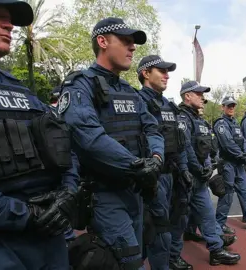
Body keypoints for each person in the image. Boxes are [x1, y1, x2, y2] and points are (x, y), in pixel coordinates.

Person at [0, 1, 79, 269]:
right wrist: (24, 214)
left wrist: (68, 194)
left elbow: (64, 146)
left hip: (50, 240)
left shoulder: (19, 89)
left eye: (10, 19)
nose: (9, 25)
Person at [59, 17, 165, 269]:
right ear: (103, 41)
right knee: (125, 261)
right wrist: (138, 166)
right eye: (126, 41)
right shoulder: (80, 85)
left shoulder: (129, 91)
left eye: (133, 43)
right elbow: (88, 137)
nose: (133, 48)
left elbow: (152, 128)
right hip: (105, 194)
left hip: (137, 191)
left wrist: (156, 159)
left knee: (139, 255)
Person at [173, 81, 241, 267]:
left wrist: (210, 165)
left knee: (207, 214)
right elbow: (185, 147)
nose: (203, 98)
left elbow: (209, 147)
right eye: (198, 94)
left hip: (200, 179)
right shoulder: (182, 119)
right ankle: (172, 257)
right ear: (187, 96)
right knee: (178, 220)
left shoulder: (199, 120)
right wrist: (198, 168)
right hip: (186, 177)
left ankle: (216, 250)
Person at [136, 55, 194, 270]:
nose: (167, 75)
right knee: (157, 231)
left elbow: (178, 141)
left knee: (172, 223)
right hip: (154, 177)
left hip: (172, 174)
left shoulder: (168, 105)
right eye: (161, 71)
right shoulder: (138, 101)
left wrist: (184, 169)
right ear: (145, 73)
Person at [213, 96, 246, 231]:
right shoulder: (221, 124)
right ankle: (219, 224)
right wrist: (242, 155)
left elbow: (243, 140)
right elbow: (228, 144)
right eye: (228, 106)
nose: (231, 108)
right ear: (223, 107)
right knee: (227, 196)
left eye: (233, 106)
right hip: (228, 164)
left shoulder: (235, 123)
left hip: (239, 164)